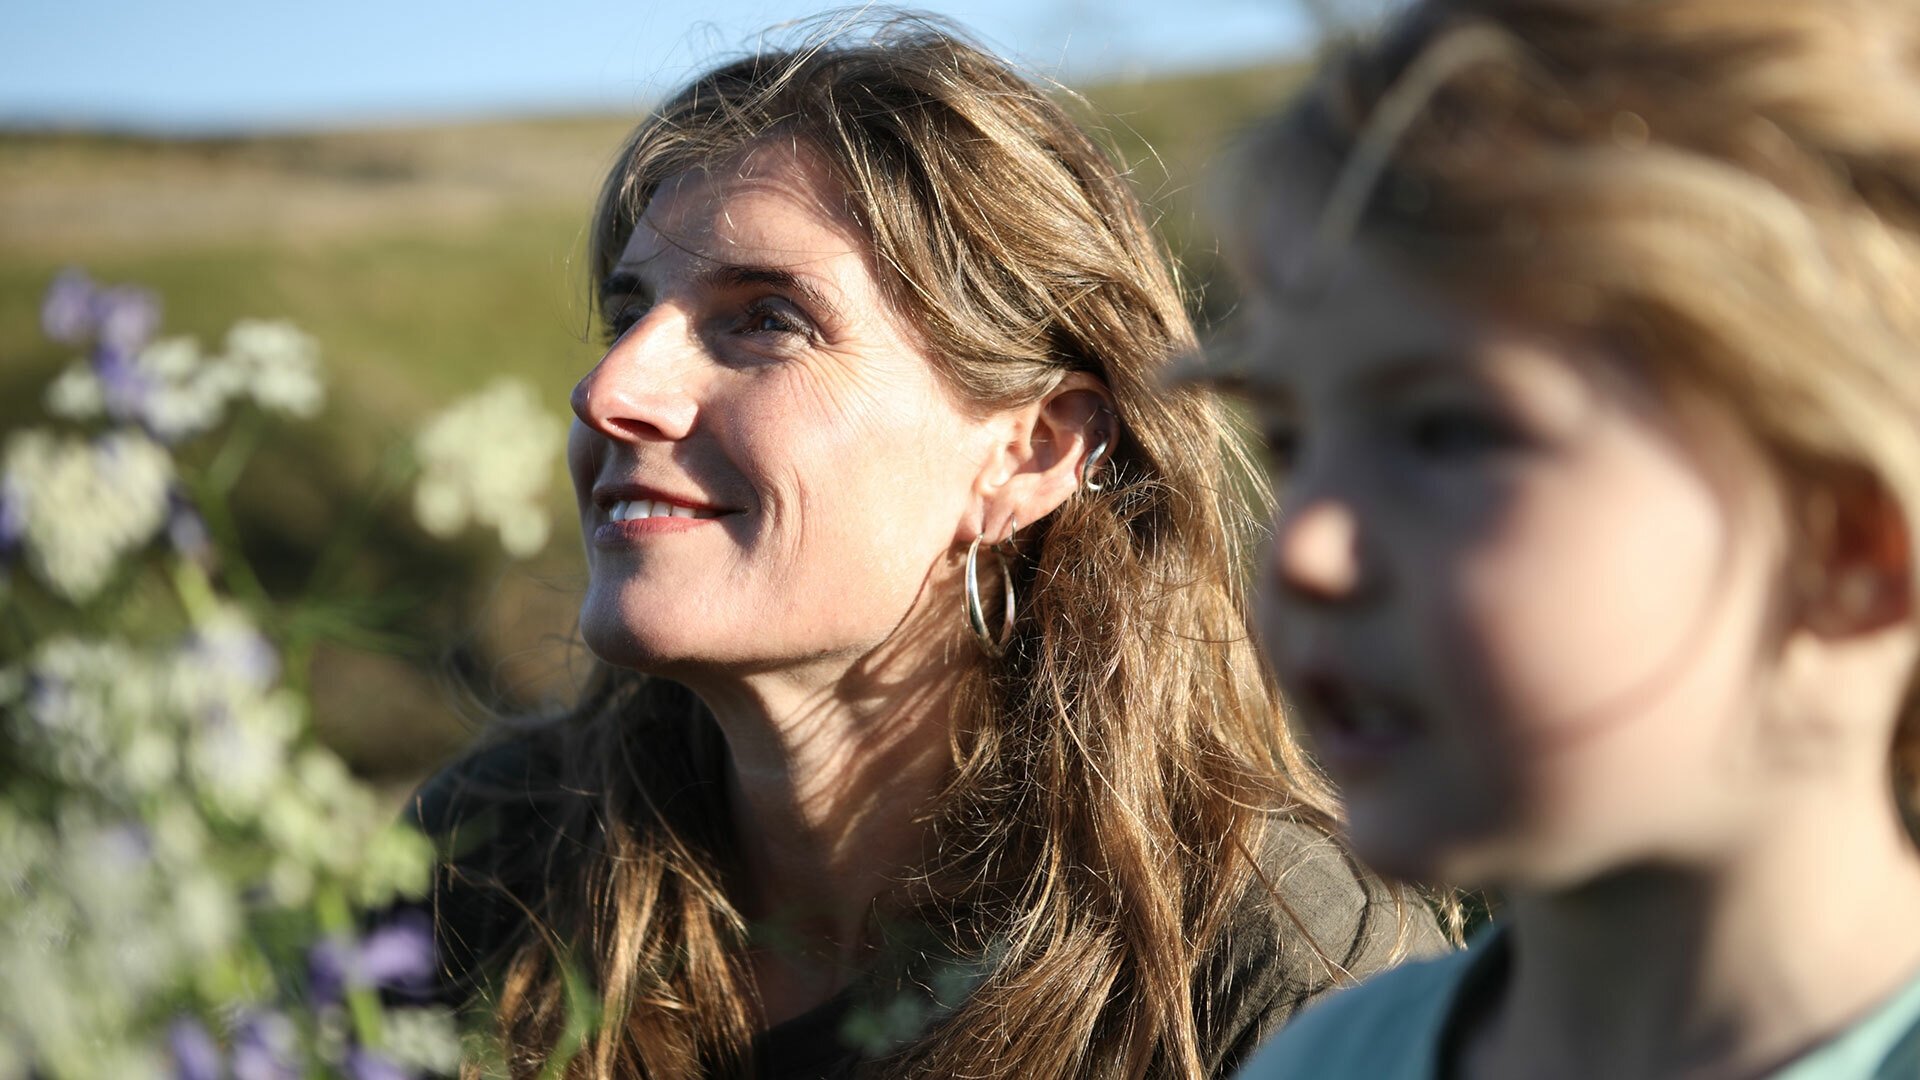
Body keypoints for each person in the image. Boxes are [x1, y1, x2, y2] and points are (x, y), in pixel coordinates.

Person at [413, 15, 1441, 1079]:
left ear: (1030, 453)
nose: (612, 390)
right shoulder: (490, 867)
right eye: (629, 314)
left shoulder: (1284, 968)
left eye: (765, 320)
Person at [1199, 0, 1920, 1076]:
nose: (1302, 543)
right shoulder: (1321, 1060)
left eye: (1447, 431)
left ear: (1850, 550)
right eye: (1292, 441)